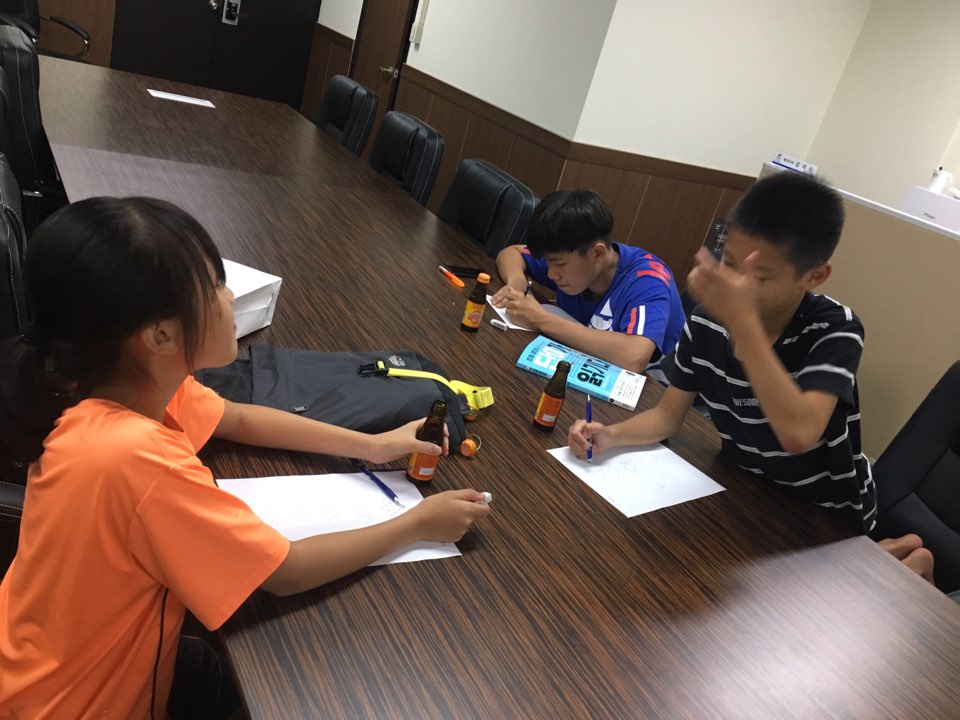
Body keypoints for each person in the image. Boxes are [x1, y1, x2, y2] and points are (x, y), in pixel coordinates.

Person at [0, 197, 491, 719]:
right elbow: (286, 571)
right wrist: (416, 524)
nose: (230, 295)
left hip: (42, 666)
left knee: (212, 671)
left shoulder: (112, 383)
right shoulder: (137, 460)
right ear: (160, 335)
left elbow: (234, 416)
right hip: (76, 704)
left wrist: (375, 445)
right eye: (215, 284)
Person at [568, 171, 878, 533]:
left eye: (760, 277)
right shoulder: (708, 322)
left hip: (823, 513)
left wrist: (743, 322)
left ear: (814, 276)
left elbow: (799, 433)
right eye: (729, 263)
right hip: (744, 489)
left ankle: (901, 553)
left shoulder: (834, 328)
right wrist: (610, 436)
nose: (737, 286)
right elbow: (668, 415)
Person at [490, 189, 685, 373]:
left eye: (559, 264)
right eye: (548, 263)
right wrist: (517, 282)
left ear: (597, 253)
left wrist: (540, 319)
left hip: (652, 388)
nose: (551, 274)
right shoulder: (571, 257)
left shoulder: (648, 280)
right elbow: (511, 253)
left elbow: (635, 356)